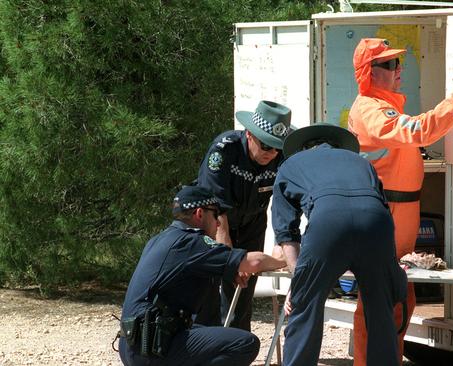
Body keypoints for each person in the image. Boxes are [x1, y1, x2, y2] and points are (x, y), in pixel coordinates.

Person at [347, 38, 453, 364]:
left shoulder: (381, 108)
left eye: (397, 63)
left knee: (399, 301)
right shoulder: (370, 111)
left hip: (394, 221)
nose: (398, 69)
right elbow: (417, 131)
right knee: (380, 303)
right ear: (369, 72)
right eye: (390, 64)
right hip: (383, 221)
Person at [272, 123, 408, 366]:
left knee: (305, 311)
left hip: (328, 221)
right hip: (376, 223)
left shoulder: (291, 165)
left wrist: (300, 280)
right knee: (381, 314)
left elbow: (286, 233)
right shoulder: (361, 162)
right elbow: (381, 208)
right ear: (338, 146)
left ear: (303, 148)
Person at [118, 185, 286, 366]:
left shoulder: (161, 239)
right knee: (245, 343)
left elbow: (187, 273)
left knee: (209, 332)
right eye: (216, 215)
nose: (219, 223)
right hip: (153, 347)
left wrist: (229, 272)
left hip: (136, 344)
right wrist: (282, 260)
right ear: (199, 213)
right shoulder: (191, 242)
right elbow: (254, 262)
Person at [195, 100, 292, 330]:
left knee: (241, 295)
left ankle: (236, 349)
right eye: (266, 146)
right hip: (213, 223)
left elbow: (287, 204)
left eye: (277, 146)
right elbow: (217, 214)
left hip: (252, 224)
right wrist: (230, 262)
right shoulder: (224, 149)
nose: (272, 153)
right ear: (250, 134)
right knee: (208, 289)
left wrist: (282, 243)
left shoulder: (283, 156)